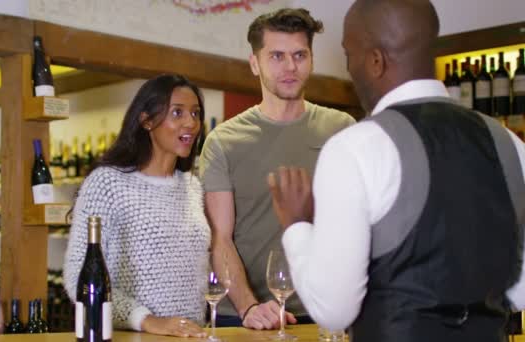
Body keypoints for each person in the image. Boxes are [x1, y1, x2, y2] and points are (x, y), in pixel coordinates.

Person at [268, 0, 525, 341]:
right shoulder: (509, 144)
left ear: (376, 61)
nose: (350, 69)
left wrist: (297, 225)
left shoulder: (354, 148)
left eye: (349, 56)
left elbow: (334, 309)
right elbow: (520, 293)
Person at [199, 8, 355, 329]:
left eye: (300, 55)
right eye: (277, 56)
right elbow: (221, 239)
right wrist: (249, 307)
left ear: (311, 59)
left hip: (324, 310)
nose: (290, 67)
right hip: (245, 316)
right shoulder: (223, 141)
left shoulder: (342, 129)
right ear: (254, 63)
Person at [63, 74, 210, 338]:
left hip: (190, 336)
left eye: (196, 113)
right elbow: (77, 279)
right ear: (146, 121)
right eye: (177, 112)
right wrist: (146, 320)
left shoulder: (192, 187)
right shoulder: (107, 183)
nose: (191, 123)